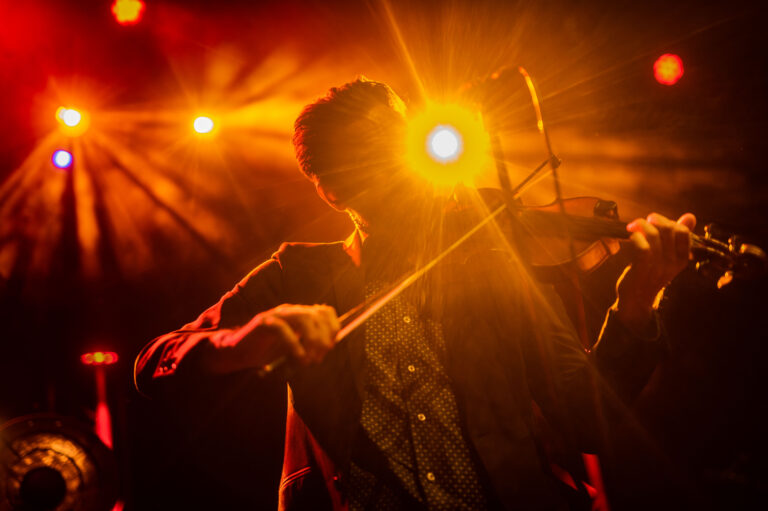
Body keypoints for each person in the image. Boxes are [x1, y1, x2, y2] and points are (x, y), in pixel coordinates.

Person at [134, 78, 696, 510]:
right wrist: (240, 344)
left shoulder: (492, 263)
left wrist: (637, 302)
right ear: (333, 188)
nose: (411, 164)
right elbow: (154, 360)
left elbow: (587, 420)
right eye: (381, 151)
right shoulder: (299, 272)